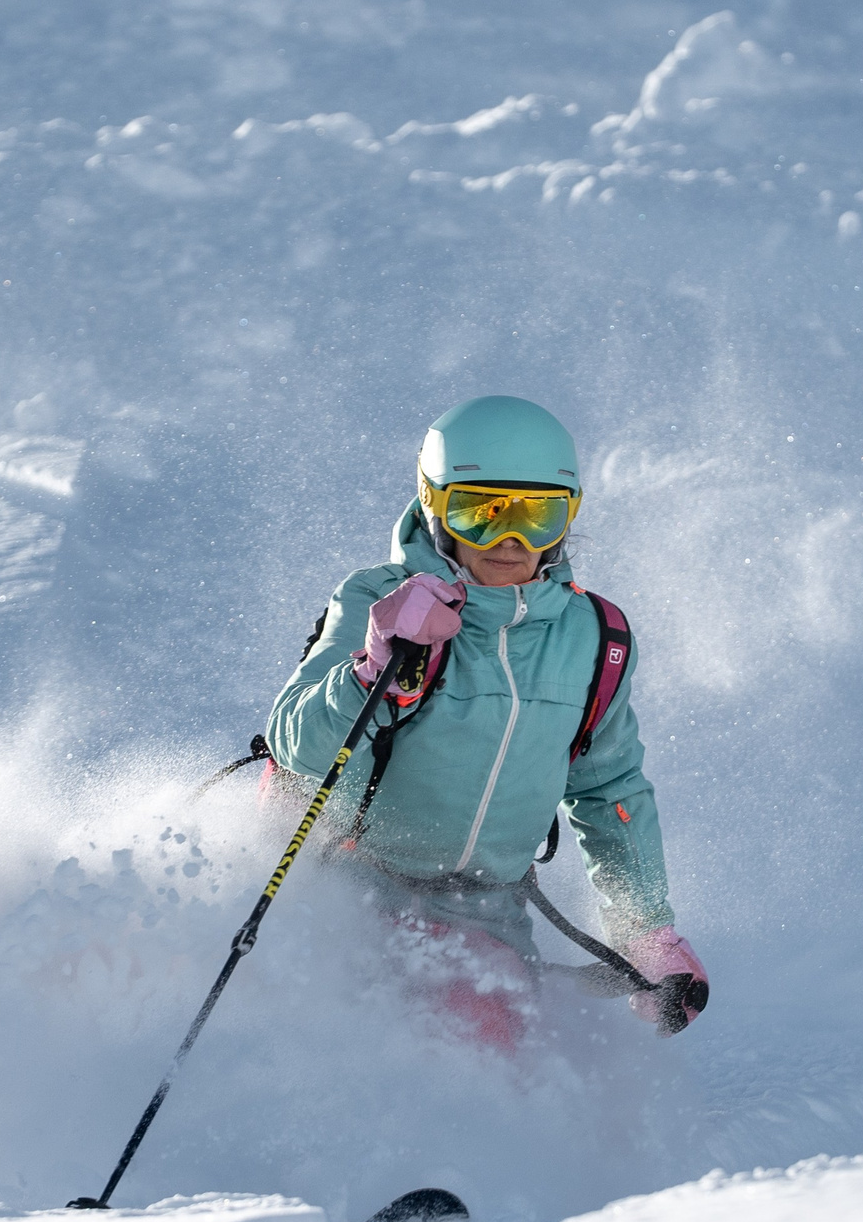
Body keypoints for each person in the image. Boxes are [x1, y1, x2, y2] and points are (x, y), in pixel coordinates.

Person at [267, 395, 705, 1046]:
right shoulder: (378, 600)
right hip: (345, 886)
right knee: (349, 1041)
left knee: (496, 1047)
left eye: (538, 516)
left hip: (486, 913)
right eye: (481, 512)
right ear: (435, 505)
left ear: (570, 514)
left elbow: (608, 791)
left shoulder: (595, 638)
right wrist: (373, 672)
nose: (509, 541)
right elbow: (296, 746)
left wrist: (646, 934)